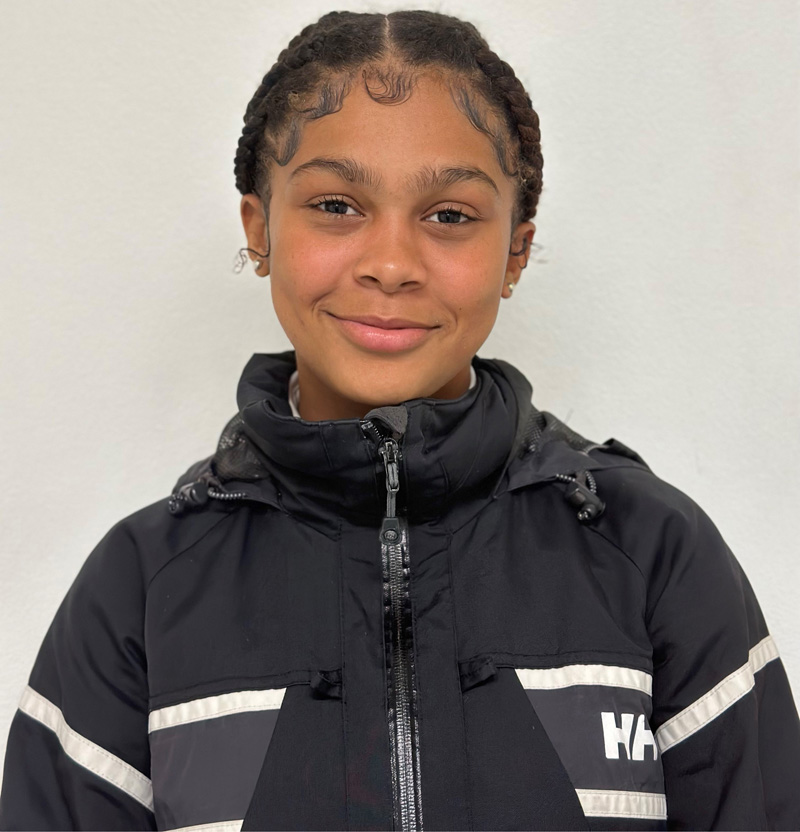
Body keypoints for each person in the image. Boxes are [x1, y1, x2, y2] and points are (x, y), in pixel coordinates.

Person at [1, 8, 798, 831]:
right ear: (260, 229)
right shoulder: (140, 589)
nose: (390, 264)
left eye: (449, 215)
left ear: (515, 251)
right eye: (336, 205)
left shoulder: (652, 553)